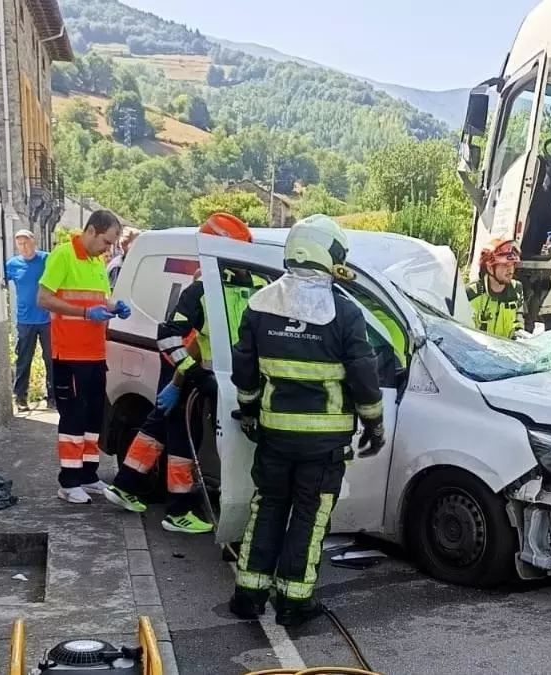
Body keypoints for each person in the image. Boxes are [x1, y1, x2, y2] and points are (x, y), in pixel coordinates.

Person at [227, 214, 385, 628]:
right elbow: (364, 373)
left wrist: (248, 411)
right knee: (309, 516)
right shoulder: (344, 313)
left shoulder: (259, 305)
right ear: (327, 253)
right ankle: (295, 600)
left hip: (275, 433)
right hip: (324, 440)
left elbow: (243, 371)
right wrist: (374, 424)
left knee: (267, 508)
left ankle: (249, 594)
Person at [105, 213, 265, 534]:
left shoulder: (257, 285)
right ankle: (178, 510)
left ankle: (125, 484)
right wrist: (191, 376)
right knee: (181, 435)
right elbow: (169, 336)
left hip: (200, 375)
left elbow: (202, 339)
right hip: (196, 375)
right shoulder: (202, 290)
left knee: (159, 427)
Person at [37, 210, 132, 504]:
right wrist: (83, 313)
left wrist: (115, 306)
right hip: (70, 354)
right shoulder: (63, 256)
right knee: (73, 418)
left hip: (94, 353)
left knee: (94, 417)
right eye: (107, 241)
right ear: (91, 231)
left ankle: (89, 475)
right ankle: (68, 482)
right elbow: (43, 298)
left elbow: (98, 300)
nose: (109, 249)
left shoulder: (96, 261)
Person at [4, 229, 54, 410]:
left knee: (51, 360)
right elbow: (0, 281)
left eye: (26, 243)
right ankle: (20, 397)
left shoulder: (47, 259)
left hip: (47, 319)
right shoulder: (12, 264)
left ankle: (52, 398)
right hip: (25, 320)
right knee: (24, 359)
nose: (24, 247)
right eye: (20, 244)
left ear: (34, 241)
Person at [467, 238, 525, 339]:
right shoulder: (471, 293)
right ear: (490, 268)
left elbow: (518, 323)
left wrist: (520, 335)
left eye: (512, 264)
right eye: (504, 265)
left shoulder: (516, 290)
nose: (510, 269)